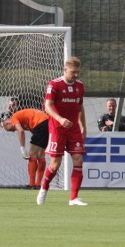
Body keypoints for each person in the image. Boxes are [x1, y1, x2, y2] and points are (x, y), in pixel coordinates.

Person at [37, 56, 88, 207]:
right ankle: (44, 188)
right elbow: (47, 106)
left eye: (78, 72)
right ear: (65, 70)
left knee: (78, 159)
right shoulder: (54, 85)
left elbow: (80, 107)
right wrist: (59, 119)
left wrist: (83, 126)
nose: (76, 75)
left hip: (73, 129)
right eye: (73, 72)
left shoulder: (79, 86)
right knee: (55, 165)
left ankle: (73, 198)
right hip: (57, 128)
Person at [0, 107, 50, 189]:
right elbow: (30, 129)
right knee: (41, 155)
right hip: (47, 122)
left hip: (40, 124)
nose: (12, 131)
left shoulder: (13, 118)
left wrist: (22, 149)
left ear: (8, 123)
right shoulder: (22, 119)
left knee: (32, 155)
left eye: (8, 130)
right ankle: (38, 184)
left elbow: (21, 131)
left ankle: (31, 184)